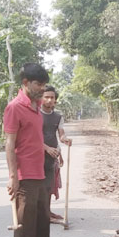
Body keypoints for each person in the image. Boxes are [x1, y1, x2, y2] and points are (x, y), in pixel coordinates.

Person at [4, 63, 60, 237]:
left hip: (41, 171)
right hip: (24, 174)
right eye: (38, 84)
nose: (41, 89)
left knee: (42, 220)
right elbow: (9, 144)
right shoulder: (14, 108)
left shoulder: (37, 108)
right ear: (25, 83)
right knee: (25, 222)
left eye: (44, 85)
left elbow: (37, 140)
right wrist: (12, 176)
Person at [40, 85, 72, 223]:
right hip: (36, 155)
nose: (49, 100)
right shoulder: (35, 115)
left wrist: (65, 140)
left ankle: (47, 213)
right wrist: (46, 148)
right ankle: (36, 214)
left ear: (55, 101)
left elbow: (61, 134)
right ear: (41, 99)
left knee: (48, 186)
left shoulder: (58, 117)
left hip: (51, 156)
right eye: (46, 97)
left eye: (51, 98)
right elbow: (31, 138)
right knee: (36, 187)